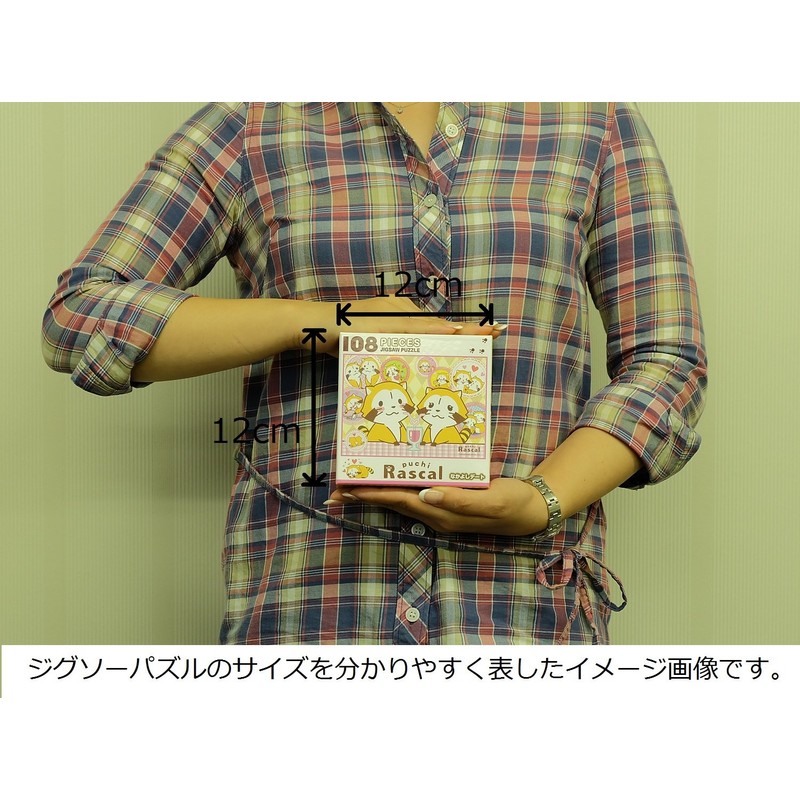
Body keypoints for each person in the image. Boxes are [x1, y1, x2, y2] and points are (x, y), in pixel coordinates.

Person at [42, 102, 707, 645]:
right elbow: (79, 316)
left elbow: (668, 360)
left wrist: (542, 500)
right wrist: (326, 321)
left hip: (521, 617)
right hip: (310, 615)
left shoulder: (590, 120)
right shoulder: (252, 123)